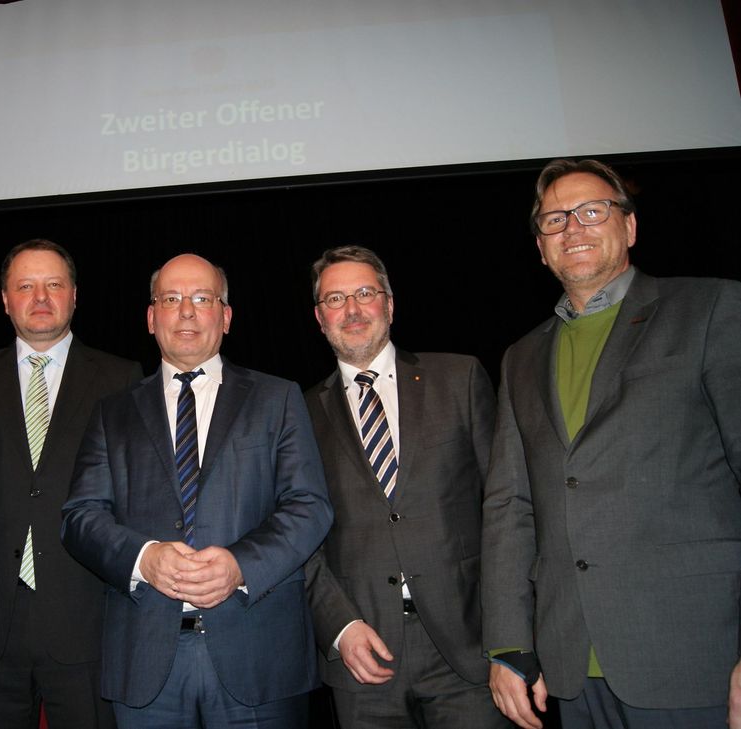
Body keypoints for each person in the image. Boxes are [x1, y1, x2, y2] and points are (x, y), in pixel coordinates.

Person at [482, 158, 741, 728]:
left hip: (695, 654)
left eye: (591, 211)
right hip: (572, 666)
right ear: (540, 248)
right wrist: (507, 647)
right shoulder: (522, 358)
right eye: (554, 220)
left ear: (629, 227)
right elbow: (510, 508)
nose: (572, 228)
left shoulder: (712, 309)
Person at [60, 253, 333, 729]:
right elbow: (81, 516)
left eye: (202, 298)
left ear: (225, 316)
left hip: (259, 657)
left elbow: (309, 506)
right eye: (171, 298)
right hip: (146, 665)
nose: (186, 311)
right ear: (151, 317)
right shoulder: (113, 413)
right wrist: (144, 558)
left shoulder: (277, 398)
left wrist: (239, 565)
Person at [304, 245, 504, 728]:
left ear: (390, 305)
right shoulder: (299, 414)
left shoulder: (459, 378)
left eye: (365, 293)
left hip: (469, 647)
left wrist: (512, 638)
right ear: (319, 317)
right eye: (335, 299)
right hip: (363, 655)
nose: (351, 310)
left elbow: (504, 508)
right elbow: (299, 538)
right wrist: (340, 626)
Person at [0, 239, 141, 728]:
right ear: (5, 300)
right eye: (26, 286)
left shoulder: (123, 380)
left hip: (87, 624)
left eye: (54, 285)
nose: (40, 298)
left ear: (74, 295)